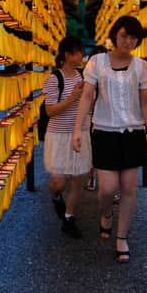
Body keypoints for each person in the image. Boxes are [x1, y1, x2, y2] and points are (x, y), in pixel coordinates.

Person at [72, 15, 147, 263]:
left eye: (133, 37)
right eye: (123, 36)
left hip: (133, 133)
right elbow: (87, 96)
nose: (128, 41)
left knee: (129, 188)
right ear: (114, 36)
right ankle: (107, 211)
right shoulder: (97, 62)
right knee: (107, 189)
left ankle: (121, 237)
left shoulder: (141, 66)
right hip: (104, 132)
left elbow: (145, 102)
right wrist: (78, 129)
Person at [43, 36, 93, 238]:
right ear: (66, 54)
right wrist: (72, 97)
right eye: (76, 52)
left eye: (81, 52)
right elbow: (50, 111)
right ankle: (55, 196)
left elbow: (91, 103)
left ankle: (69, 218)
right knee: (59, 182)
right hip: (59, 135)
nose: (81, 56)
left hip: (81, 133)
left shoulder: (85, 77)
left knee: (78, 180)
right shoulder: (54, 78)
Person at [83, 45, 108, 193]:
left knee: (108, 152)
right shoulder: (88, 78)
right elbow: (86, 100)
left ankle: (111, 187)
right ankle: (92, 177)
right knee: (92, 150)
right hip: (91, 118)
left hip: (108, 120)